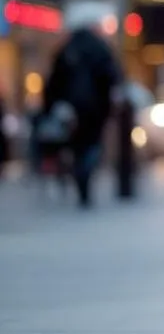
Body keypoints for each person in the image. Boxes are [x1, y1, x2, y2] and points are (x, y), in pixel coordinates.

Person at [38, 15, 121, 208]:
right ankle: (84, 172)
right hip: (95, 108)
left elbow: (52, 83)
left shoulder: (66, 50)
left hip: (71, 109)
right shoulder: (100, 49)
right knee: (91, 144)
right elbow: (111, 78)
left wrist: (49, 107)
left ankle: (79, 172)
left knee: (77, 145)